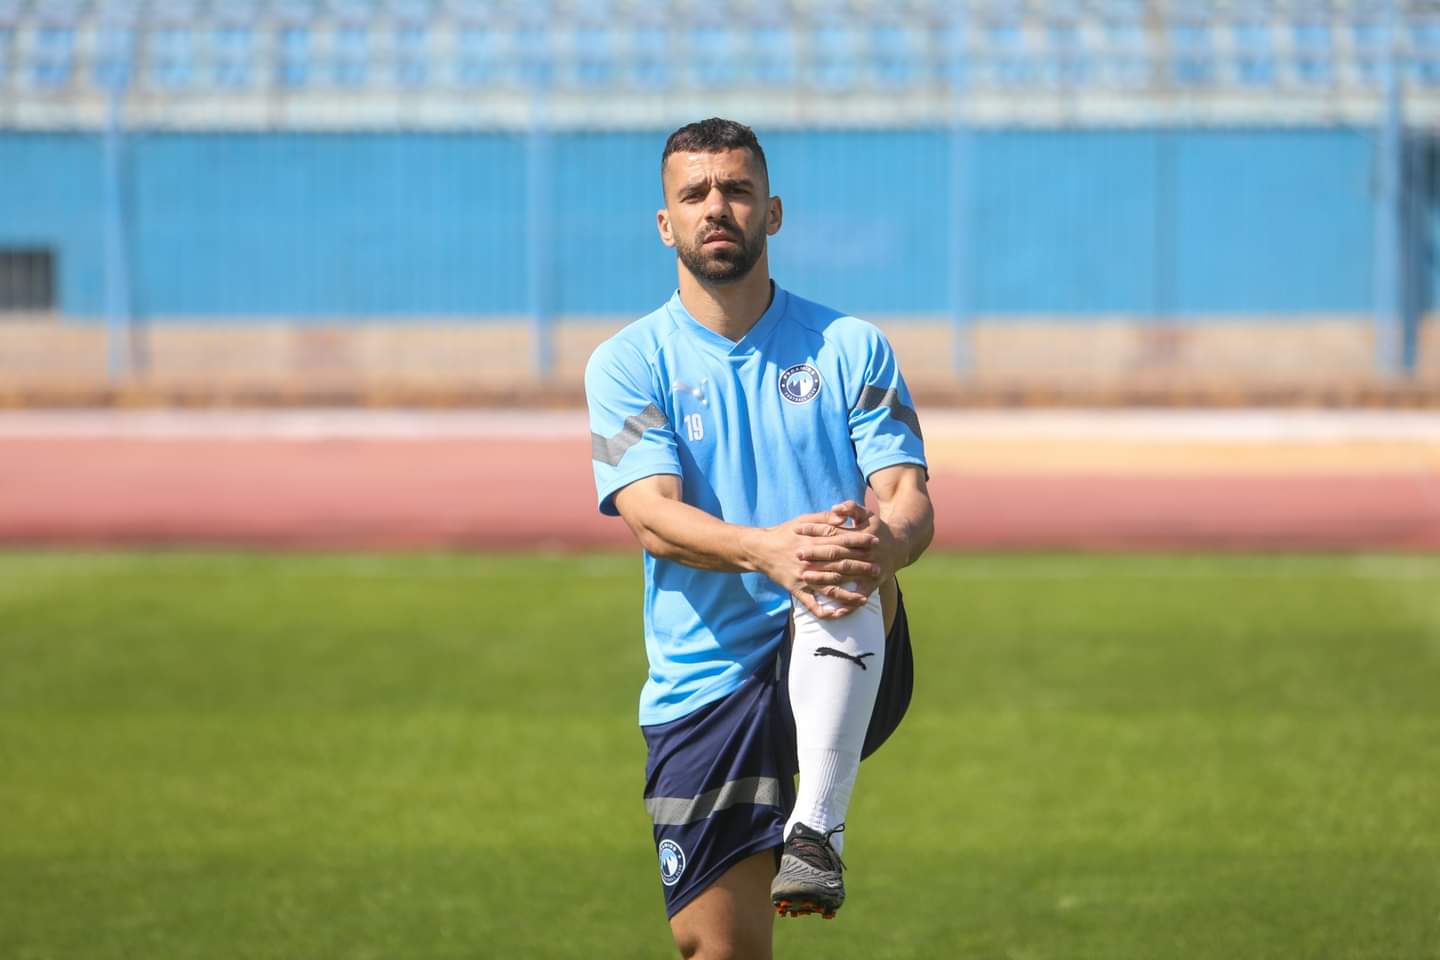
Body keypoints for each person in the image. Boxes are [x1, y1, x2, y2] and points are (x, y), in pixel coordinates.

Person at [584, 117, 934, 959]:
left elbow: (908, 498)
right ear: (665, 223)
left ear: (771, 212)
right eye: (695, 194)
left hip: (844, 637)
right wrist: (769, 550)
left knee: (848, 544)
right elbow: (651, 515)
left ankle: (817, 830)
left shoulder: (850, 347)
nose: (717, 207)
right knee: (718, 949)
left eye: (737, 190)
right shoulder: (628, 362)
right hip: (704, 679)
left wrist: (882, 545)